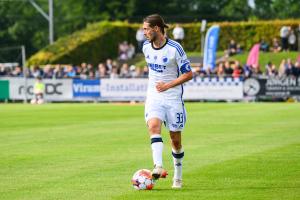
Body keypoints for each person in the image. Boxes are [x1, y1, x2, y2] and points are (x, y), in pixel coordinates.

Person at [142, 14, 193, 189]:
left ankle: (178, 177)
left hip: (172, 97)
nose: (144, 33)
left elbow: (188, 74)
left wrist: (168, 85)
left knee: (175, 140)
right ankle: (158, 165)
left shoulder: (175, 48)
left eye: (146, 29)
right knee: (153, 126)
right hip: (154, 96)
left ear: (156, 28)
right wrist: (159, 87)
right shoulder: (145, 47)